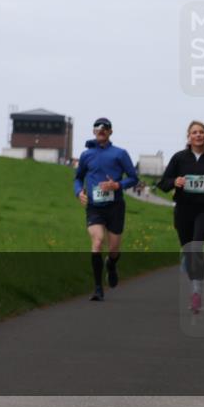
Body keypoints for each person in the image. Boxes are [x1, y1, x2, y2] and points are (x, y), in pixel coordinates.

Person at [157, 121, 204, 313]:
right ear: (188, 137)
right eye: (194, 132)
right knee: (188, 249)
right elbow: (163, 183)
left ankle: (196, 292)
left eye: (201, 132)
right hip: (183, 210)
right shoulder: (179, 158)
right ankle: (193, 277)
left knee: (196, 245)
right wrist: (175, 181)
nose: (198, 135)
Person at [73, 118, 138, 302]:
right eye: (97, 127)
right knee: (97, 241)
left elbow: (133, 178)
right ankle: (98, 288)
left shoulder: (120, 153)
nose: (101, 130)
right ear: (93, 131)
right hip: (94, 207)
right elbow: (77, 178)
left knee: (114, 248)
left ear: (110, 132)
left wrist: (117, 185)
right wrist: (79, 193)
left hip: (115, 206)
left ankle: (111, 265)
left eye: (105, 128)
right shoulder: (86, 155)